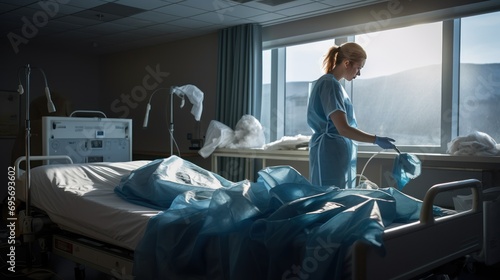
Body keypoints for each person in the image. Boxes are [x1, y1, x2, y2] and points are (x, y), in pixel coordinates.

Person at [307, 42, 396, 189]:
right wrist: (376, 139)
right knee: (330, 200)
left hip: (334, 152)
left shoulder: (334, 85)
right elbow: (343, 129)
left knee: (338, 199)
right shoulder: (330, 84)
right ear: (347, 63)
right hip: (330, 152)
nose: (359, 73)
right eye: (358, 68)